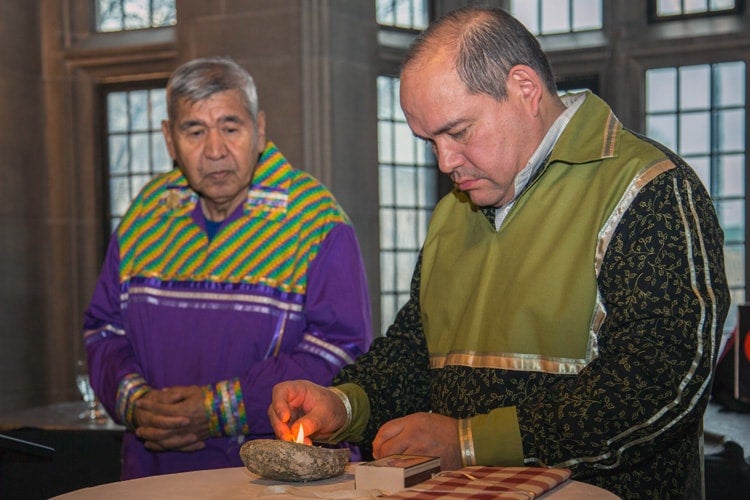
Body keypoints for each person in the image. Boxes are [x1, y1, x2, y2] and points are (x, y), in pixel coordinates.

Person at [269, 7, 729, 499]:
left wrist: (469, 442)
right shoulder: (454, 212)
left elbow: (660, 383)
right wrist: (344, 404)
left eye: (459, 132)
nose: (446, 162)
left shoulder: (648, 189)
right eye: (430, 142)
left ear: (524, 89)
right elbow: (413, 354)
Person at [83, 56, 372, 479]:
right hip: (153, 474)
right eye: (194, 130)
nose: (215, 150)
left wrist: (221, 410)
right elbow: (102, 331)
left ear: (260, 130)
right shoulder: (143, 218)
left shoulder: (316, 222)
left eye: (231, 128)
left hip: (280, 480)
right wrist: (136, 402)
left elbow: (341, 352)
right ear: (169, 139)